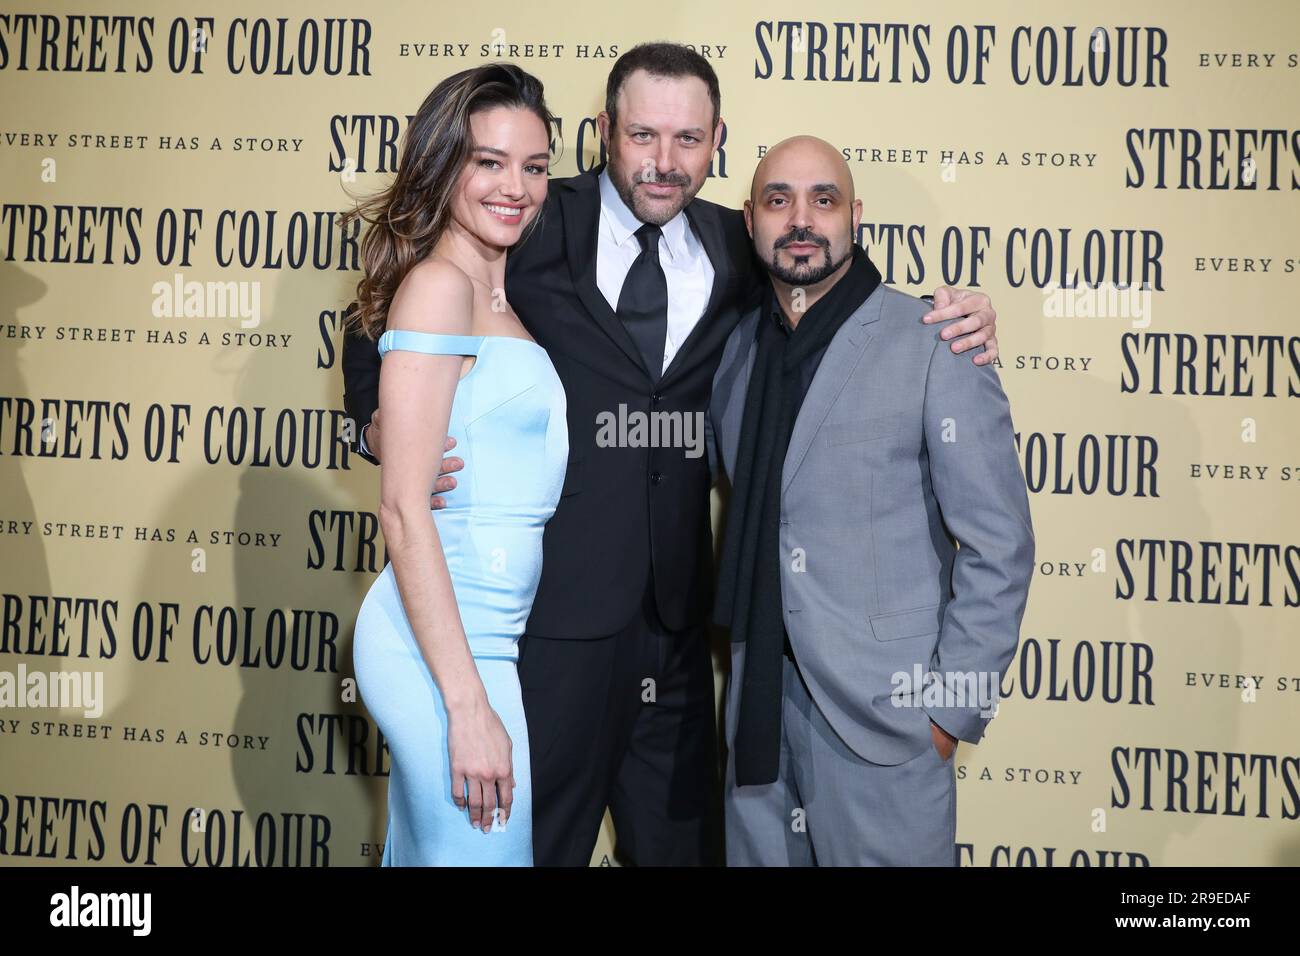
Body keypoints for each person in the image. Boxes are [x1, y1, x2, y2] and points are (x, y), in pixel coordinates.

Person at [343, 43, 1001, 867]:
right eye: (643, 135)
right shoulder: (532, 215)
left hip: (685, 634)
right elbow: (388, 313)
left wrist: (958, 313)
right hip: (549, 627)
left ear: (717, 141)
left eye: (688, 140)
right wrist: (376, 424)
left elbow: (840, 292)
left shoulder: (742, 242)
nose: (664, 161)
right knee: (516, 846)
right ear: (603, 133)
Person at [710, 135, 1035, 866]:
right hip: (757, 714)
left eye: (823, 200)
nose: (801, 219)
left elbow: (1000, 544)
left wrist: (950, 712)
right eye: (778, 199)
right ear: (750, 220)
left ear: (855, 215)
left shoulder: (934, 342)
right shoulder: (734, 354)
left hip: (888, 725)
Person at [348, 64, 566, 865]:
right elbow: (404, 510)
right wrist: (466, 703)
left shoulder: (498, 293)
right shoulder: (439, 286)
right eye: (489, 161)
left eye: (534, 166)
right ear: (445, 166)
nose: (517, 186)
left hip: (484, 639)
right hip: (442, 643)